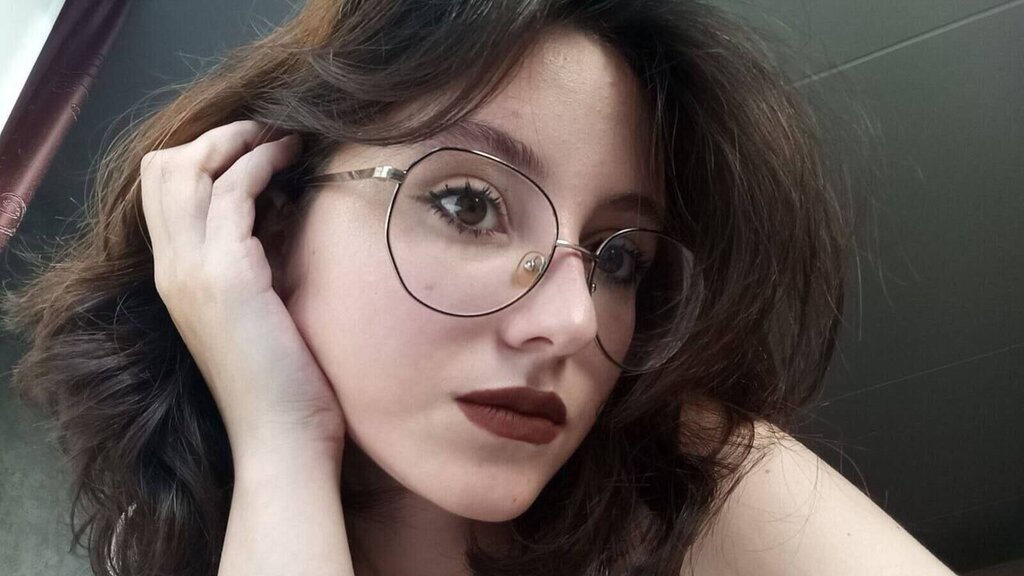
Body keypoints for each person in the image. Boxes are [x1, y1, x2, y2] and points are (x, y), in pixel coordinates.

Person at [0, 1, 958, 575]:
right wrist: (281, 443)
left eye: (618, 257)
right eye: (467, 204)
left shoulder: (693, 480)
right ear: (269, 217)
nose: (573, 321)